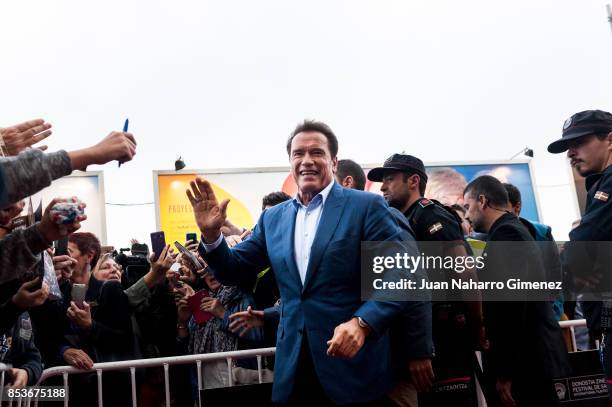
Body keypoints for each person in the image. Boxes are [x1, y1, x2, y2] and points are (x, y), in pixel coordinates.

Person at [188, 120, 420, 405]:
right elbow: (233, 268)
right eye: (298, 154)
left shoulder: (365, 207)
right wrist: (211, 235)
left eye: (316, 153)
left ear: (333, 162)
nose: (307, 161)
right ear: (290, 162)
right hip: (293, 370)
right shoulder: (273, 218)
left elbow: (402, 274)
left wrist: (362, 323)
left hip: (353, 369)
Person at [368, 153, 481, 407]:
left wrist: (478, 325)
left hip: (444, 340)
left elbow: (465, 275)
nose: (383, 187)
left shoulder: (431, 215)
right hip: (416, 344)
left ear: (413, 181)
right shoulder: (399, 221)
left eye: (389, 179)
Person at [463, 175, 569, 406]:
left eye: (467, 206)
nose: (467, 215)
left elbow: (510, 309)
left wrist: (505, 371)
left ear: (482, 201)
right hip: (528, 358)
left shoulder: (507, 235)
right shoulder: (510, 230)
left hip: (525, 362)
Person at [547, 109, 612, 396]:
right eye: (567, 147)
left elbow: (582, 247)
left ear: (609, 139)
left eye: (580, 142)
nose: (571, 153)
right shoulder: (599, 184)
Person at [503, 183, 565, 320]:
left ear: (517, 206)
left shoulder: (541, 232)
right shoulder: (484, 236)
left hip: (547, 314)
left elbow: (554, 274)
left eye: (503, 208)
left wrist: (552, 310)